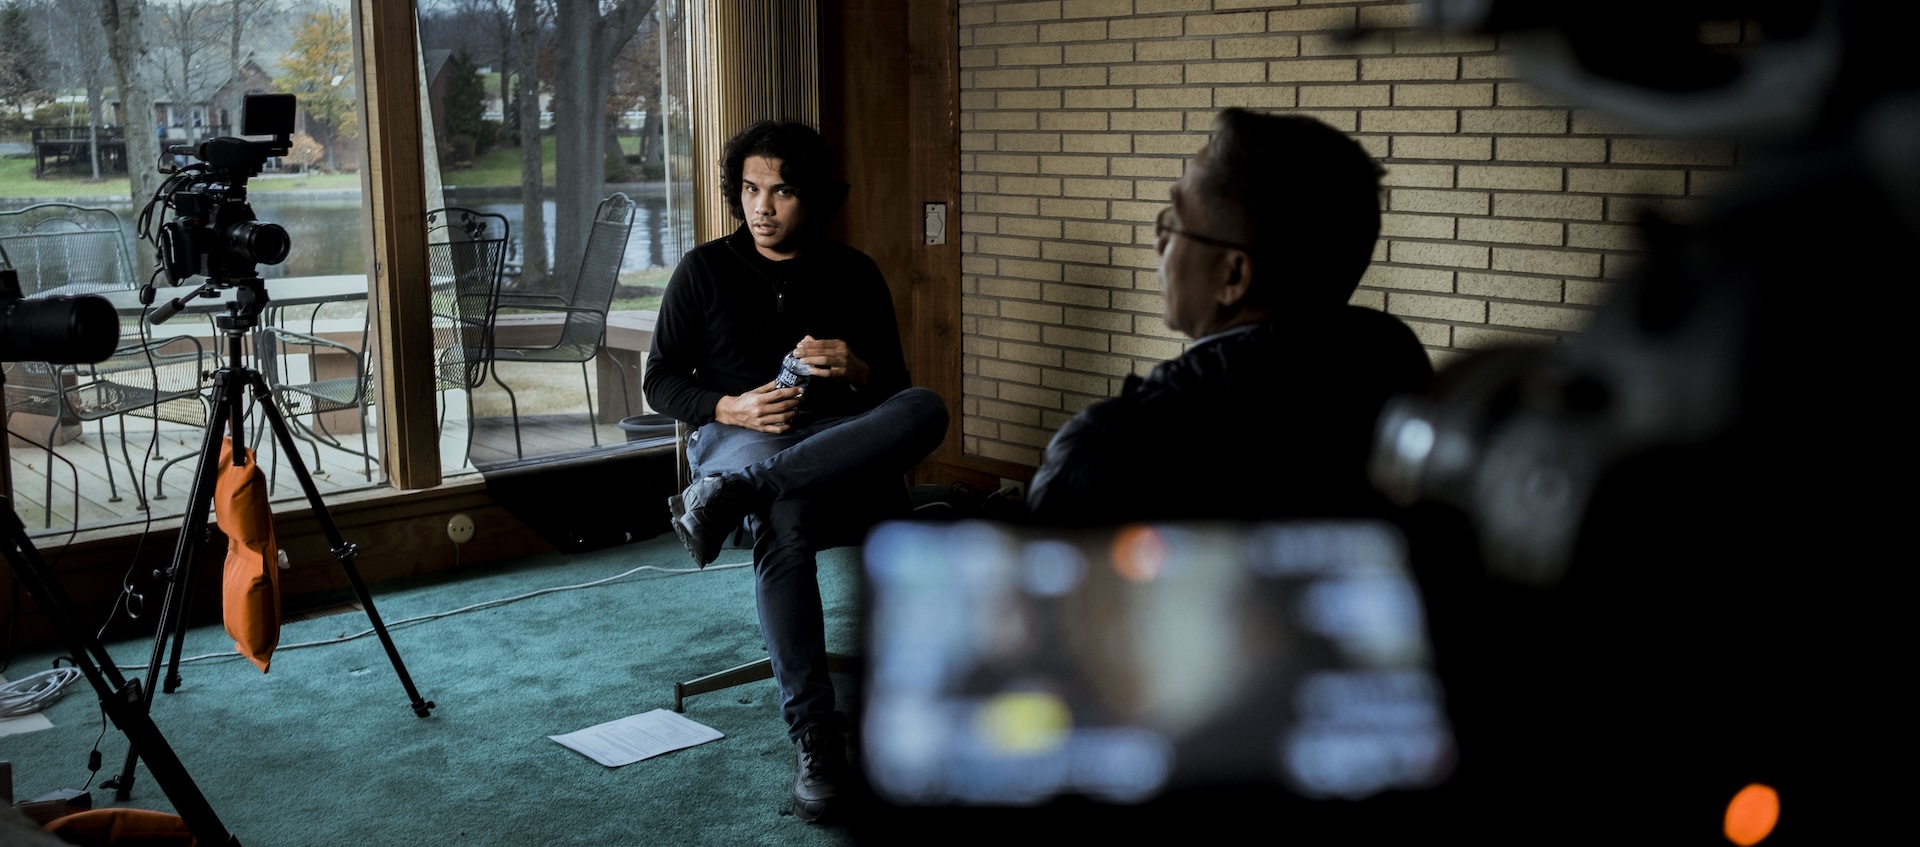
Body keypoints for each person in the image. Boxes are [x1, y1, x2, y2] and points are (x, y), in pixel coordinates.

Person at [642, 119, 949, 823]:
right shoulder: (703, 270)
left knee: (925, 406)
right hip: (741, 437)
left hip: (834, 435)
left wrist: (858, 366)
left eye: (780, 191)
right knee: (787, 519)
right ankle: (817, 737)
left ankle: (732, 497)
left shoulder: (854, 271)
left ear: (810, 198)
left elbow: (895, 387)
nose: (762, 207)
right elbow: (658, 380)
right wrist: (730, 405)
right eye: (750, 189)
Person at [1025, 108, 1434, 526]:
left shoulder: (1108, 450)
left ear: (1233, 275)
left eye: (1176, 221)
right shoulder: (1403, 373)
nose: (1159, 242)